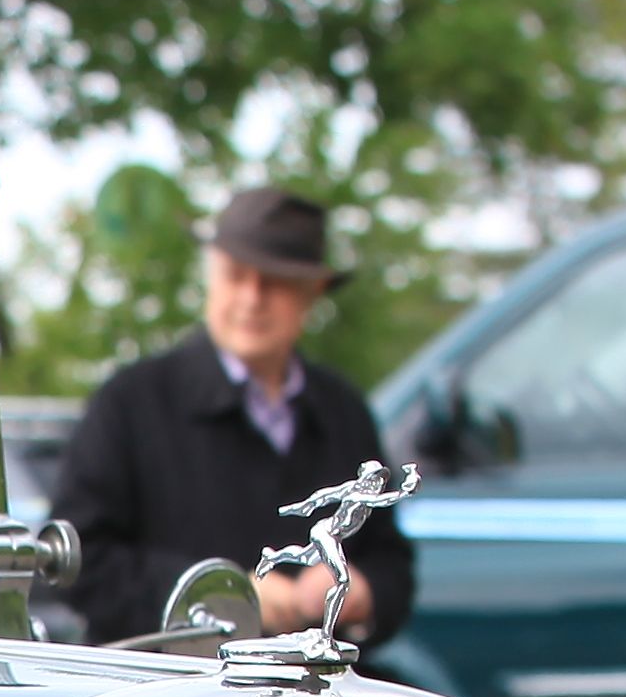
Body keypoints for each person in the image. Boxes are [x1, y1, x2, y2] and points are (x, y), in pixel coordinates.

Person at [53, 185, 420, 648]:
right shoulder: (130, 402)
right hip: (166, 695)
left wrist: (363, 592)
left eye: (274, 281)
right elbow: (76, 561)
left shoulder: (343, 411)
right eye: (235, 275)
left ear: (314, 291)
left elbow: (391, 561)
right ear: (209, 274)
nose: (252, 298)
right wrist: (223, 596)